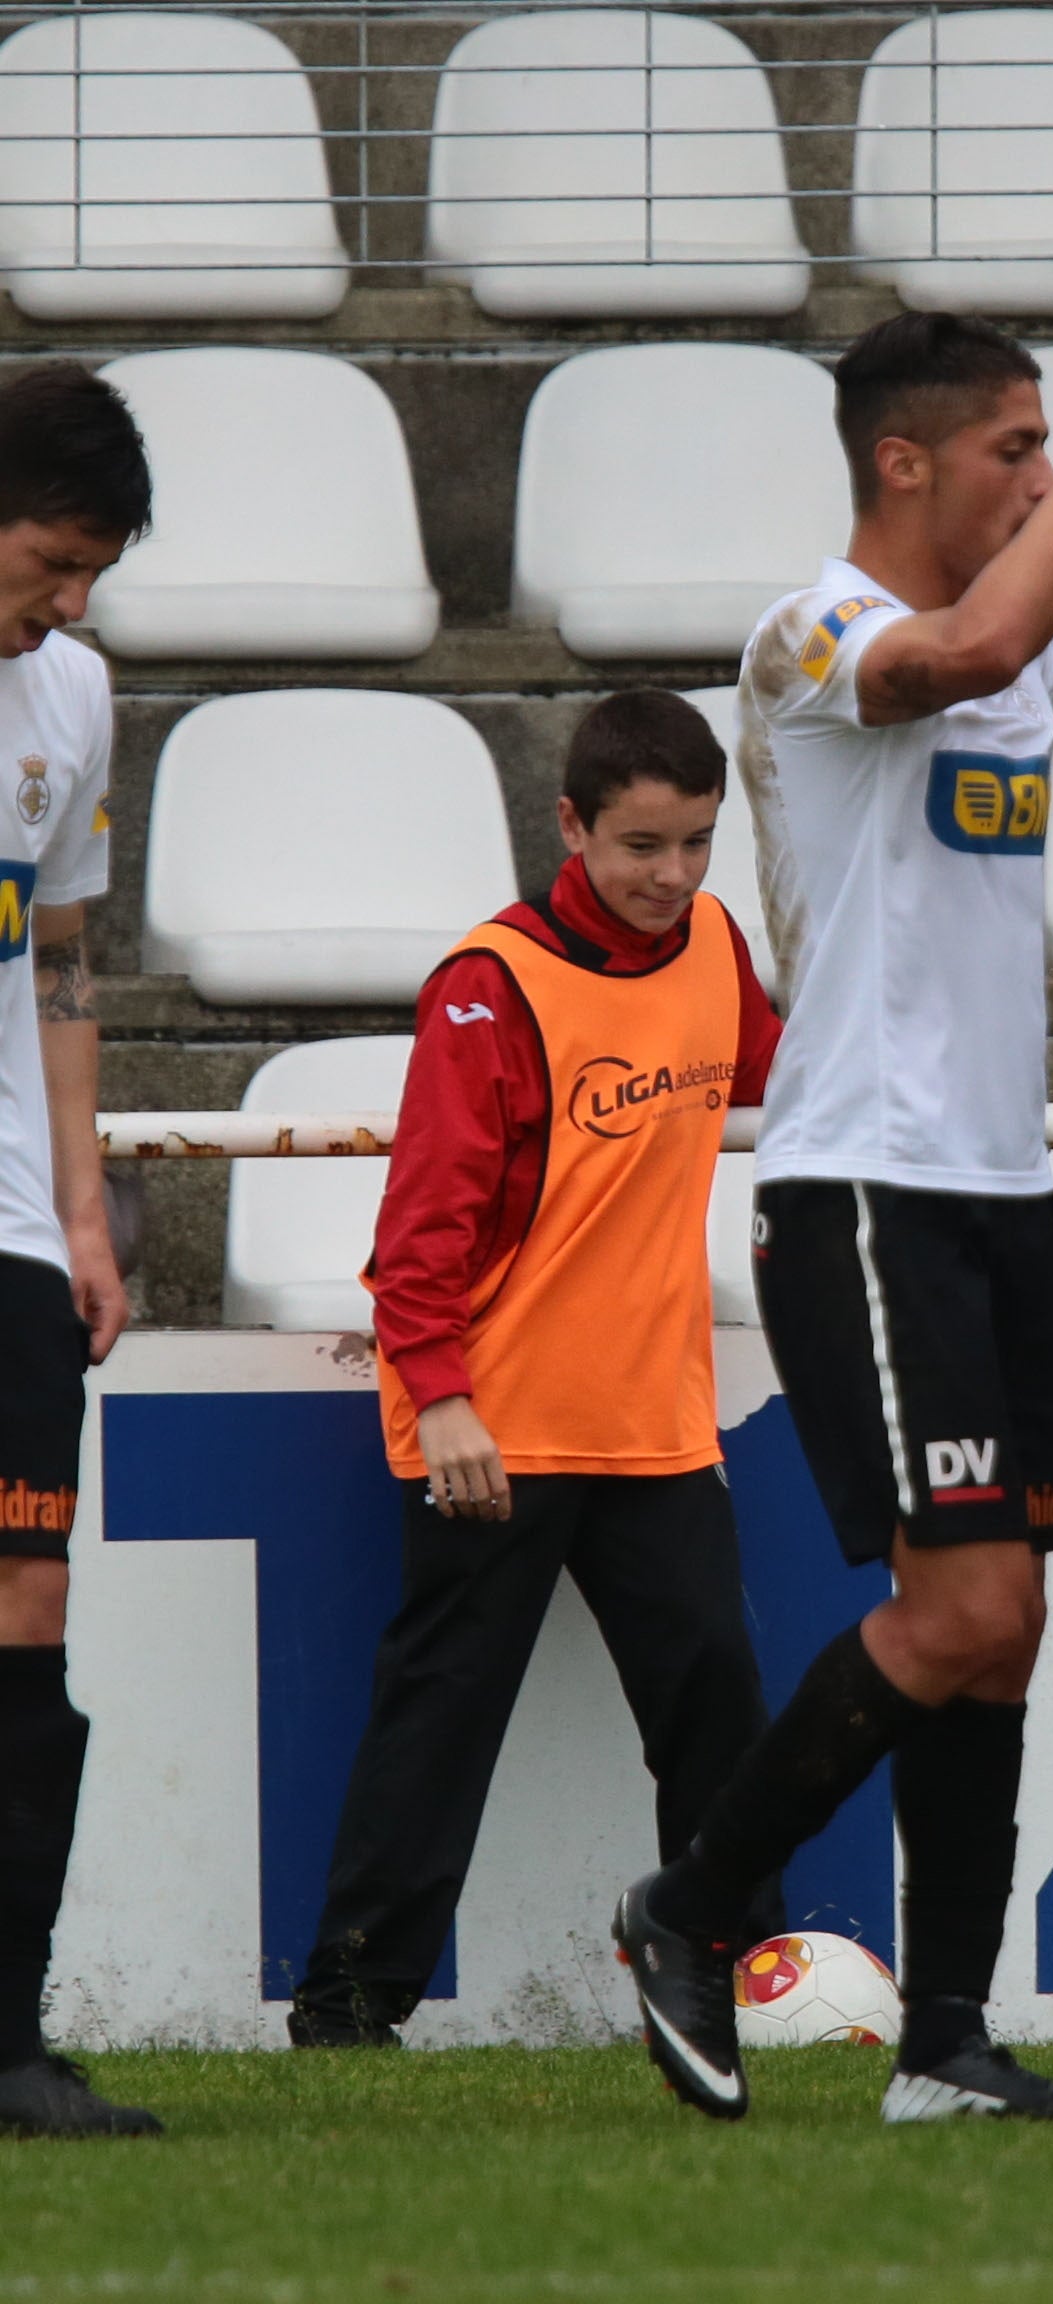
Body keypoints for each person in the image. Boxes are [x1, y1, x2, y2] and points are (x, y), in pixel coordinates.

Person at [613, 269, 1053, 2127]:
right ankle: (689, 1907)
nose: (1041, 480)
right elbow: (977, 649)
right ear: (903, 462)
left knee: (1007, 1627)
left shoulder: (1022, 657)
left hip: (1005, 1196)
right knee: (965, 1608)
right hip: (868, 1191)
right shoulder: (816, 638)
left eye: (1049, 448)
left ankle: (945, 2041)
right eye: (1014, 451)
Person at [290, 693, 784, 2049]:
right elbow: (421, 1230)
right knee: (439, 1721)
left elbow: (779, 1077)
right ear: (571, 825)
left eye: (696, 843)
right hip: (494, 1426)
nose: (672, 876)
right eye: (642, 845)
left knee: (718, 1708)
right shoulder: (490, 983)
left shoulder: (716, 944)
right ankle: (346, 2004)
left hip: (657, 1422)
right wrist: (442, 1395)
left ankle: (739, 1977)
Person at [0, 365, 151, 2139]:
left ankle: (9, 2040)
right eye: (50, 561)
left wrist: (81, 1208)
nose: (70, 600)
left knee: (28, 1610)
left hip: (12, 1233)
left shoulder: (75, 694)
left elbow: (61, 961)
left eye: (95, 569)